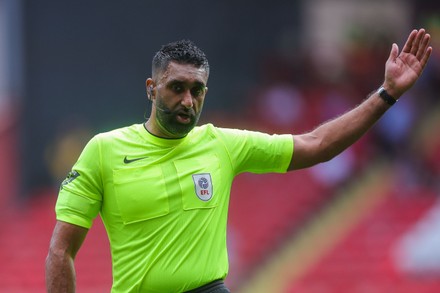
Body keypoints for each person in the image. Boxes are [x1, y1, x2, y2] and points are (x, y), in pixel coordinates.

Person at [45, 29, 432, 293]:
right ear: (151, 88)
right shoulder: (104, 149)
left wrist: (386, 94)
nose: (187, 101)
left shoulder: (221, 144)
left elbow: (315, 144)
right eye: (176, 87)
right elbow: (62, 250)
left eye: (197, 91)